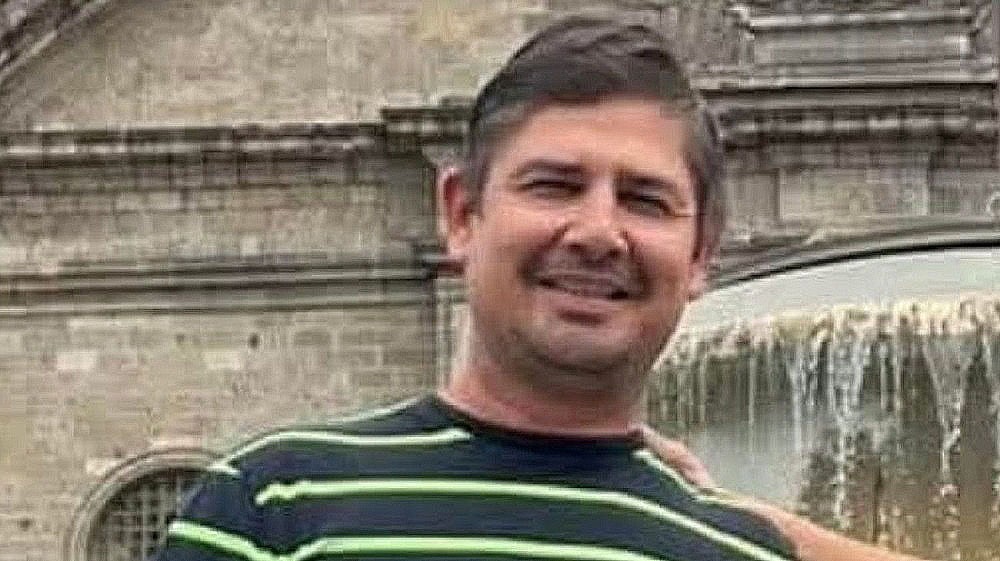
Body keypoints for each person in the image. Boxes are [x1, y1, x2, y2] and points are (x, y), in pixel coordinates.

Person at [154, 15, 928, 561]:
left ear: (700, 256)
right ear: (462, 214)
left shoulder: (739, 550)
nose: (598, 232)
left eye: (645, 199)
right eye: (554, 185)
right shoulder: (272, 504)